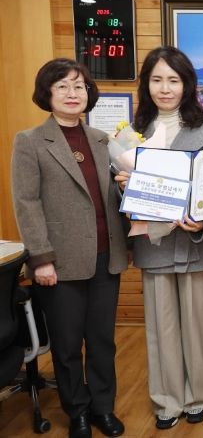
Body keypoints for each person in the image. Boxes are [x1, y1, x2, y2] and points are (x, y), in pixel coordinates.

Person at [11, 58, 128, 438]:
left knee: (102, 341)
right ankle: (76, 410)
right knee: (66, 345)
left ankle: (103, 408)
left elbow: (111, 197)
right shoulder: (30, 141)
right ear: (46, 93)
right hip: (59, 261)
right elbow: (26, 203)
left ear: (88, 93)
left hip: (106, 256)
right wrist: (41, 258)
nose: (72, 93)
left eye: (79, 85)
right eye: (62, 86)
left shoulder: (101, 139)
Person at [116, 46, 203, 430]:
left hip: (198, 246)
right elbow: (118, 196)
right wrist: (123, 186)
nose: (165, 88)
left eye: (173, 80)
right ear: (146, 85)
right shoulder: (132, 134)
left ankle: (198, 397)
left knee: (198, 329)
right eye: (157, 80)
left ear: (187, 84)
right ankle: (167, 401)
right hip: (154, 244)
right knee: (161, 330)